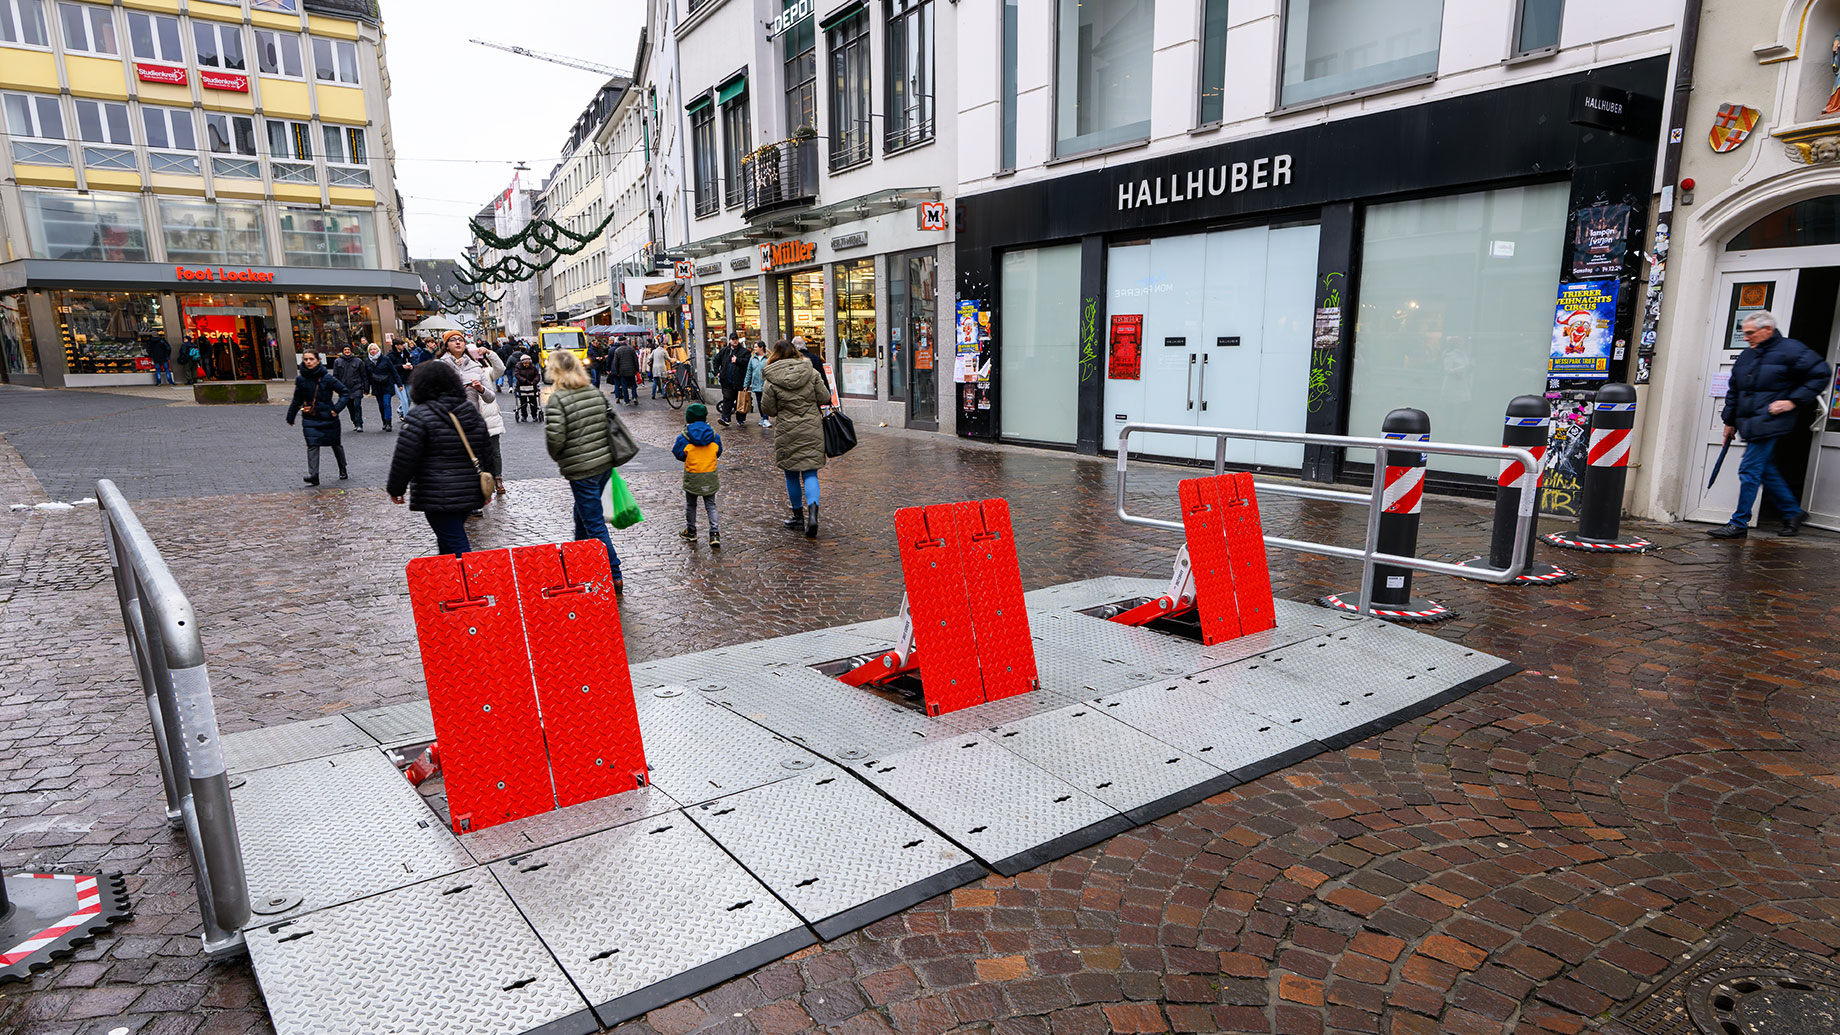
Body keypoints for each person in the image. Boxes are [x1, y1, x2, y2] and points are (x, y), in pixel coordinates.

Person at [1709, 310, 1832, 539]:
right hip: (1750, 421)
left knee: (1749, 469)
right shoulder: (1748, 355)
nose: (1746, 337)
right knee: (1764, 470)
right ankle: (1792, 512)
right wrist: (1729, 422)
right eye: (1744, 333)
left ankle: (1738, 523)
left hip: (1770, 421)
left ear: (1767, 329)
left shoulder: (1791, 350)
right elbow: (1735, 389)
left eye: (1750, 333)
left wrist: (1792, 401)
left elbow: (1821, 373)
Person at [387, 361, 492, 557]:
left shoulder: (419, 415)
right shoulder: (469, 411)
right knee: (448, 540)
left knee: (456, 543)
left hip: (436, 492)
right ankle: (449, 583)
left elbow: (405, 457)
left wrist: (396, 488)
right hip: (468, 489)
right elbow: (486, 450)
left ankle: (472, 581)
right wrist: (488, 486)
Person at [543, 349, 625, 590]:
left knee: (593, 521)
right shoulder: (593, 392)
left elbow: (555, 438)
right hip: (603, 464)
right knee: (582, 511)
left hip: (581, 469)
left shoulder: (558, 398)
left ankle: (614, 571)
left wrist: (558, 456)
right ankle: (577, 558)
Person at [761, 339, 829, 539]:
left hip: (787, 430)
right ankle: (813, 515)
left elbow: (768, 409)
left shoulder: (772, 378)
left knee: (791, 474)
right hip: (811, 428)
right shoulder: (811, 371)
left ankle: (798, 517)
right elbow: (824, 397)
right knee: (810, 473)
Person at [439, 331, 507, 498]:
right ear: (446, 344)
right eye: (453, 340)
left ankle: (478, 495)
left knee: (481, 457)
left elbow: (490, 396)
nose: (457, 342)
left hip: (474, 421)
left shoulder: (477, 367)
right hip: (451, 421)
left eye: (460, 340)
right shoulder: (439, 366)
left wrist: (480, 389)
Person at [285, 351, 349, 486]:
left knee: (335, 444)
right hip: (311, 416)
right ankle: (314, 475)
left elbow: (344, 392)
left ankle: (343, 468)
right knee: (312, 445)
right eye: (306, 359)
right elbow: (297, 399)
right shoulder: (301, 379)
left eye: (311, 359)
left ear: (318, 360)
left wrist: (336, 409)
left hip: (328, 416)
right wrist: (291, 416)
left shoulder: (327, 378)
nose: (308, 362)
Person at [673, 402, 723, 547]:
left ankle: (692, 531)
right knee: (711, 505)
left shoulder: (684, 437)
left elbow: (678, 453)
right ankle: (714, 534)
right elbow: (718, 452)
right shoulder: (713, 435)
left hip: (693, 475)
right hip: (709, 474)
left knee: (691, 505)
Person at [715, 332, 751, 426]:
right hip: (727, 381)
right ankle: (725, 418)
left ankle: (740, 419)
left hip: (739, 381)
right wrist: (717, 372)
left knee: (740, 400)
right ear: (730, 340)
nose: (735, 341)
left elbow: (748, 362)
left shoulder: (744, 351)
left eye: (736, 339)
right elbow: (716, 360)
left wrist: (738, 360)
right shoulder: (724, 351)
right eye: (733, 339)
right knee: (727, 400)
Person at [332, 345, 368, 432]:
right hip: (344, 389)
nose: (347, 351)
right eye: (345, 350)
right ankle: (355, 422)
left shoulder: (358, 361)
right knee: (350, 407)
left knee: (357, 405)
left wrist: (366, 388)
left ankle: (359, 424)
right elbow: (335, 376)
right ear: (342, 351)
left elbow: (364, 375)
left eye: (348, 349)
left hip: (357, 387)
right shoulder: (337, 362)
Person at [364, 342, 399, 431]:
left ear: (378, 350)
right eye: (371, 349)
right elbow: (366, 376)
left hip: (387, 384)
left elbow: (393, 371)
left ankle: (388, 423)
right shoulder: (367, 361)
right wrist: (366, 388)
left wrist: (399, 383)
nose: (372, 351)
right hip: (376, 386)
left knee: (386, 403)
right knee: (381, 405)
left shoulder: (385, 359)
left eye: (374, 349)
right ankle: (384, 421)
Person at [389, 338, 415, 421]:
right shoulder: (390, 355)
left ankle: (400, 410)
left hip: (407, 378)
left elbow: (411, 361)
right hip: (398, 380)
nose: (403, 346)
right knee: (404, 400)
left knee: (410, 398)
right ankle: (407, 417)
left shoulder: (406, 353)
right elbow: (390, 367)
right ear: (396, 346)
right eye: (401, 344)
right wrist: (401, 366)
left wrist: (411, 366)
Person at [512, 353, 543, 422]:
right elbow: (517, 375)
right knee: (523, 402)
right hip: (522, 386)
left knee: (533, 401)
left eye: (527, 363)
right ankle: (524, 415)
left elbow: (537, 375)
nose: (526, 365)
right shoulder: (518, 367)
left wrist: (535, 381)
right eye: (525, 363)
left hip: (532, 386)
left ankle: (534, 415)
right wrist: (525, 381)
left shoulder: (533, 367)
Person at [746, 342, 769, 428]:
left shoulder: (768, 358)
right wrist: (746, 384)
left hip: (766, 384)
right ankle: (763, 418)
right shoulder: (752, 358)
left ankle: (766, 418)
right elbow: (749, 371)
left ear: (761, 347)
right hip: (756, 385)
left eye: (756, 347)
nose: (754, 349)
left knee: (765, 403)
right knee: (759, 403)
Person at [612, 337, 641, 404]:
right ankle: (634, 397)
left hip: (622, 371)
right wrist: (637, 369)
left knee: (624, 385)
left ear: (619, 342)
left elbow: (616, 362)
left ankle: (626, 400)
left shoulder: (617, 350)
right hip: (632, 370)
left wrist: (617, 371)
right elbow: (635, 360)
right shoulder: (631, 349)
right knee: (633, 384)